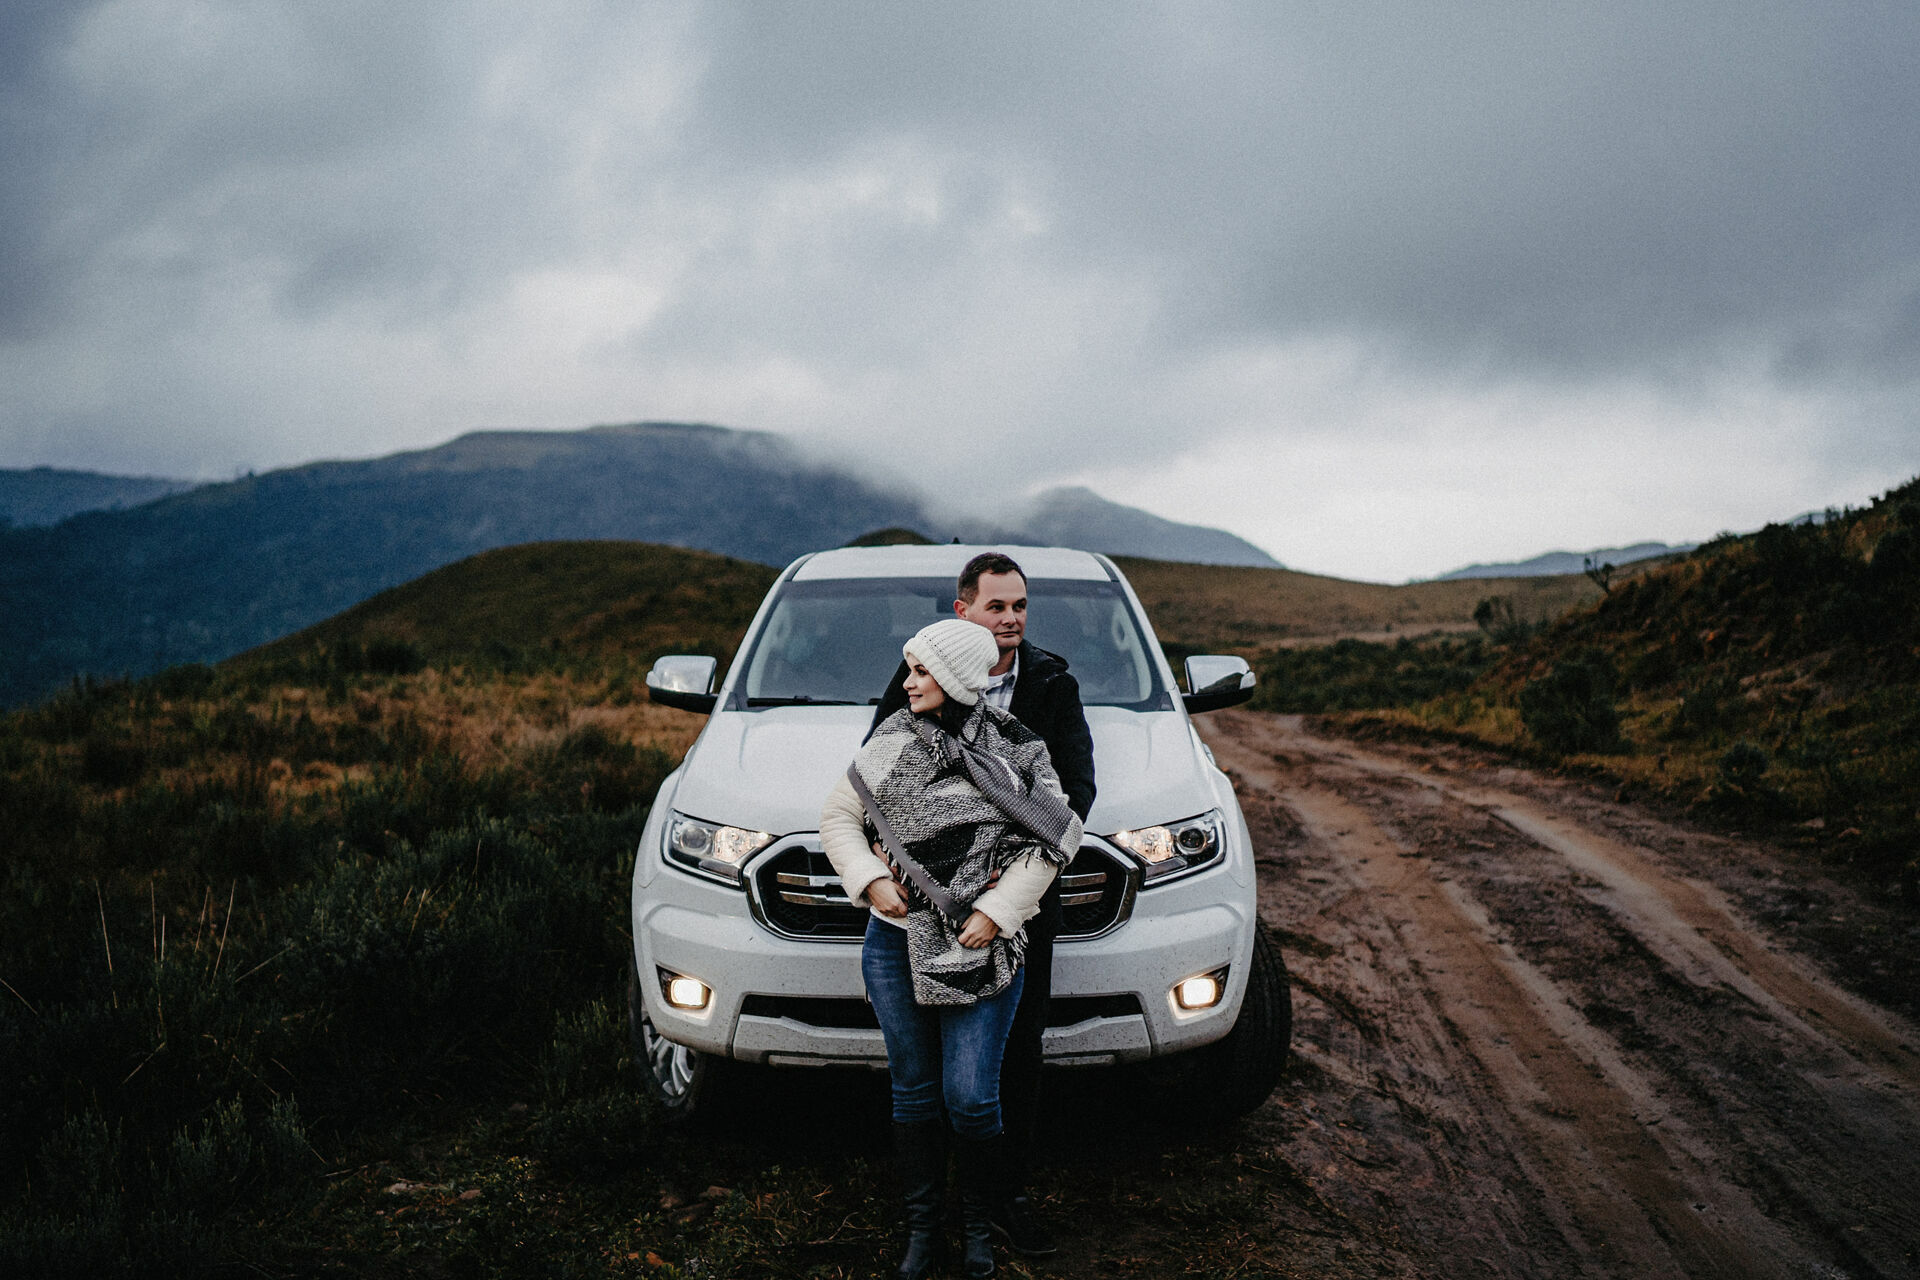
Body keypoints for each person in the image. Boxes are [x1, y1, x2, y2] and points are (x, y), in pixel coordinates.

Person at [822, 618, 1081, 1280]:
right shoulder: (891, 742)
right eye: (909, 669)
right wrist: (871, 878)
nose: (908, 683)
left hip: (982, 947)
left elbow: (1053, 838)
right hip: (896, 941)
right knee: (913, 1090)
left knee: (971, 1097)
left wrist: (997, 912)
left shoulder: (1019, 750)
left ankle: (977, 1226)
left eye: (921, 670)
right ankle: (923, 1230)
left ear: (959, 677)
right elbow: (839, 818)